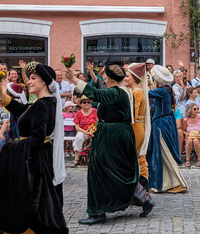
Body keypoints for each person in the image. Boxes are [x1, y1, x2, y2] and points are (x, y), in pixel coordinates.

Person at [0, 62, 67, 233]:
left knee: (31, 201)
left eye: (33, 78)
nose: (28, 82)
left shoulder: (43, 105)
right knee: (41, 203)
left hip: (33, 161)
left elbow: (37, 138)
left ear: (44, 82)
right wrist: (1, 94)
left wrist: (12, 149)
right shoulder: (43, 103)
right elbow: (22, 110)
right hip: (38, 157)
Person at [65, 65, 153, 224]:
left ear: (111, 78)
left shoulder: (116, 92)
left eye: (105, 77)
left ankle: (98, 212)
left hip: (113, 135)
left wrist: (73, 79)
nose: (103, 80)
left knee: (99, 170)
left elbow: (95, 93)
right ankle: (144, 199)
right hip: (113, 133)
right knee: (117, 171)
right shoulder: (121, 91)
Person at [147, 65, 188, 193]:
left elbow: (145, 93)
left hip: (160, 123)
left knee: (163, 152)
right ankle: (167, 183)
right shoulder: (168, 89)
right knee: (163, 153)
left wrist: (142, 82)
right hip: (165, 121)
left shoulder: (162, 90)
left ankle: (178, 182)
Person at [125, 63, 152, 193]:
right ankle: (142, 192)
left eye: (127, 76)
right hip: (137, 126)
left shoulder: (136, 92)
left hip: (135, 127)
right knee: (139, 158)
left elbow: (132, 115)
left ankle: (141, 191)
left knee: (136, 157)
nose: (125, 78)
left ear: (134, 78)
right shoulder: (138, 91)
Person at [71, 95, 98, 167]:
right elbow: (77, 127)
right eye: (84, 102)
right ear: (81, 104)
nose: (86, 103)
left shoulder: (95, 111)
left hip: (93, 131)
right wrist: (85, 132)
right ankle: (77, 158)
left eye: (88, 102)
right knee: (78, 138)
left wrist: (92, 131)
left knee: (97, 138)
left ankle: (95, 158)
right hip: (82, 131)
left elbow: (98, 123)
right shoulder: (78, 113)